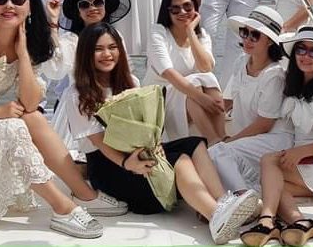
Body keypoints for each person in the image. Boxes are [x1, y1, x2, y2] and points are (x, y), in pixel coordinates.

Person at [66, 22, 259, 244]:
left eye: (112, 47)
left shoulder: (130, 82)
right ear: (86, 54)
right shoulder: (78, 94)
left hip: (139, 151)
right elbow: (99, 141)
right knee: (180, 160)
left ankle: (223, 202)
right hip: (110, 166)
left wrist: (154, 144)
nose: (107, 54)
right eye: (98, 49)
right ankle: (216, 215)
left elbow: (145, 123)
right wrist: (128, 163)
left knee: (194, 143)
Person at [0, 0, 128, 220]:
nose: (9, 5)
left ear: (30, 6)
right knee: (11, 127)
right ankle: (63, 208)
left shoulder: (26, 43)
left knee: (32, 116)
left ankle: (83, 193)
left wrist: (22, 53)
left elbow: (30, 103)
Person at [240, 26, 313, 247]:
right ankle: (300, 223)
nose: (306, 56)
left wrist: (300, 152)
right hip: (308, 158)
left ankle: (266, 220)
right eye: (301, 49)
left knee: (269, 162)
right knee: (268, 187)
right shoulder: (294, 81)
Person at [208, 5, 292, 193]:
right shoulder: (241, 61)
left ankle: (242, 196)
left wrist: (230, 141)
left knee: (219, 152)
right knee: (211, 153)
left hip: (274, 139)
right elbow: (226, 103)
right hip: (248, 137)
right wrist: (218, 134)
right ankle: (234, 196)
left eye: (255, 35)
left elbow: (264, 124)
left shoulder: (275, 75)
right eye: (244, 32)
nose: (247, 39)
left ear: (270, 41)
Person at [49, 0, 130, 146]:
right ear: (78, 11)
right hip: (80, 105)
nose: (92, 8)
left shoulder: (116, 36)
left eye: (98, 2)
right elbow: (55, 69)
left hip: (115, 103)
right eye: (84, 4)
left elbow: (125, 72)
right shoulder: (71, 41)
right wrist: (53, 23)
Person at [143, 0, 223, 144]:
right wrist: (201, 97)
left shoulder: (202, 35)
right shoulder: (158, 32)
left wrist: (190, 32)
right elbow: (168, 73)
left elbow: (206, 67)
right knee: (195, 85)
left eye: (187, 6)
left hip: (189, 98)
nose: (183, 12)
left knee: (206, 78)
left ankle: (222, 137)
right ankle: (214, 140)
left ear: (195, 8)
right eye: (175, 9)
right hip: (159, 100)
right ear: (167, 11)